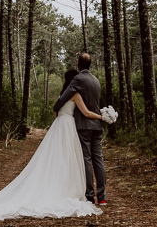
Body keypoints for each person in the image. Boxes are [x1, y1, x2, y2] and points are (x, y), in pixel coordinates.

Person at [0, 68, 103, 220]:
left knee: (54, 157)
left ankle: (57, 186)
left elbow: (56, 112)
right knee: (68, 158)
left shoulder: (63, 94)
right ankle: (66, 188)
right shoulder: (75, 94)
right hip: (69, 126)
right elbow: (86, 112)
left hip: (59, 126)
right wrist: (102, 116)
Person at [53, 52, 107, 206]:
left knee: (86, 160)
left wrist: (56, 108)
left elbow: (64, 97)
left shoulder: (78, 79)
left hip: (84, 125)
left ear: (78, 64)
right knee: (98, 159)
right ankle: (102, 197)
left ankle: (89, 195)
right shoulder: (96, 80)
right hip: (97, 125)